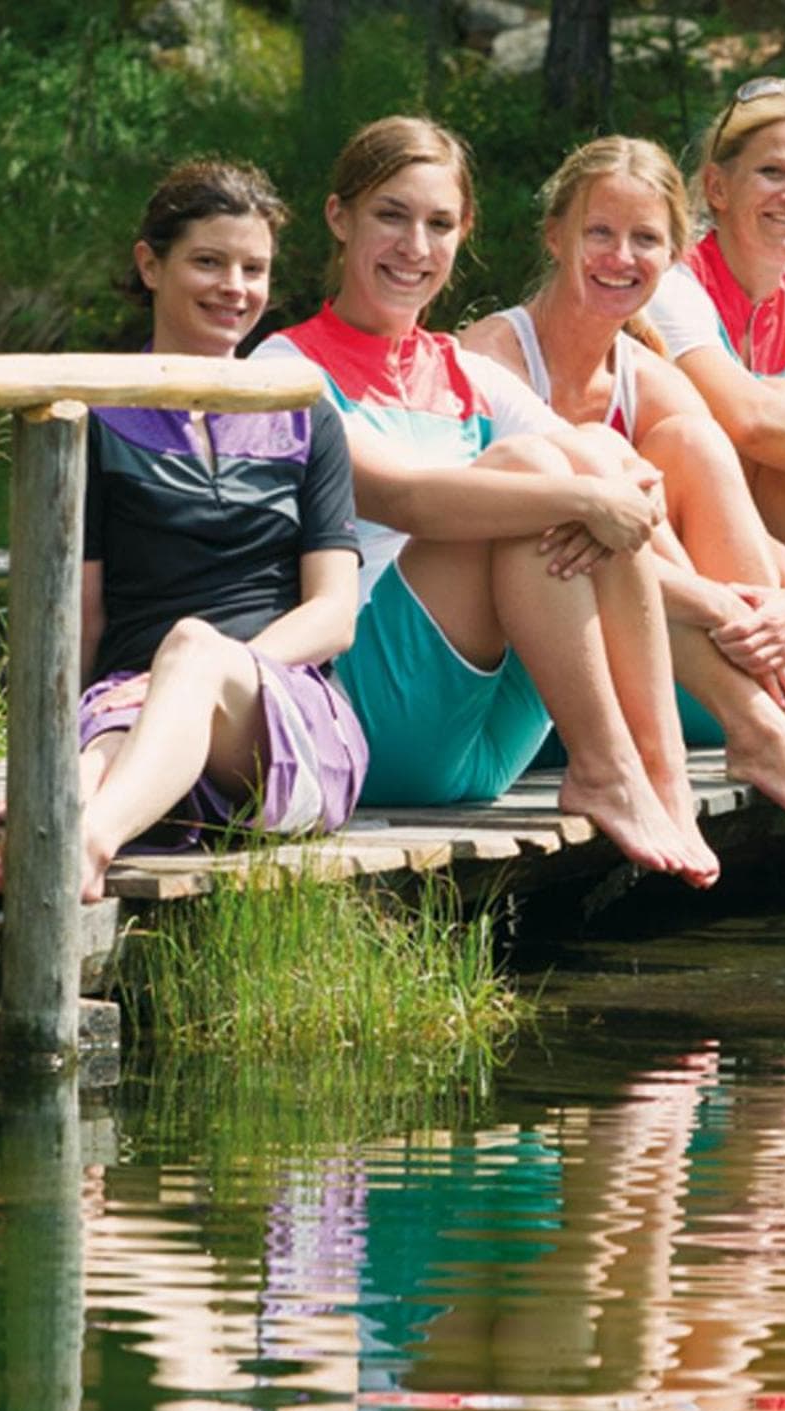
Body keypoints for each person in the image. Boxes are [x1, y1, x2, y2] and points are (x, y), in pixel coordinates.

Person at [253, 116, 720, 885]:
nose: (415, 246)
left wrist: (716, 601)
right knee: (531, 468)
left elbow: (627, 483)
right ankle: (608, 766)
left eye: (439, 224)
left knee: (587, 448)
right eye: (391, 216)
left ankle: (656, 764)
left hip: (493, 741)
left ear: (464, 232)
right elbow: (408, 500)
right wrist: (580, 496)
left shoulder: (463, 369)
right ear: (340, 218)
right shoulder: (285, 369)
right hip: (374, 720)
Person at [0, 158, 369, 902]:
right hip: (126, 710)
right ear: (150, 265)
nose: (234, 287)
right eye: (208, 262)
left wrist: (191, 668)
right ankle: (63, 820)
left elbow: (334, 615)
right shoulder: (91, 417)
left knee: (192, 650)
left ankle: (84, 847)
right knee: (99, 750)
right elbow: (79, 619)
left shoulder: (306, 413)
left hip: (279, 722)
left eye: (253, 269)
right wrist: (43, 769)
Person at [459, 136, 785, 829]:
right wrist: (721, 607)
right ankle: (765, 725)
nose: (621, 257)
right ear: (554, 236)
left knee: (694, 442)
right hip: (534, 669)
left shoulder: (647, 374)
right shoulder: (493, 356)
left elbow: (742, 531)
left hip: (651, 669)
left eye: (645, 239)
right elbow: (549, 552)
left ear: (673, 256)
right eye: (599, 233)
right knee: (598, 469)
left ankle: (782, 727)